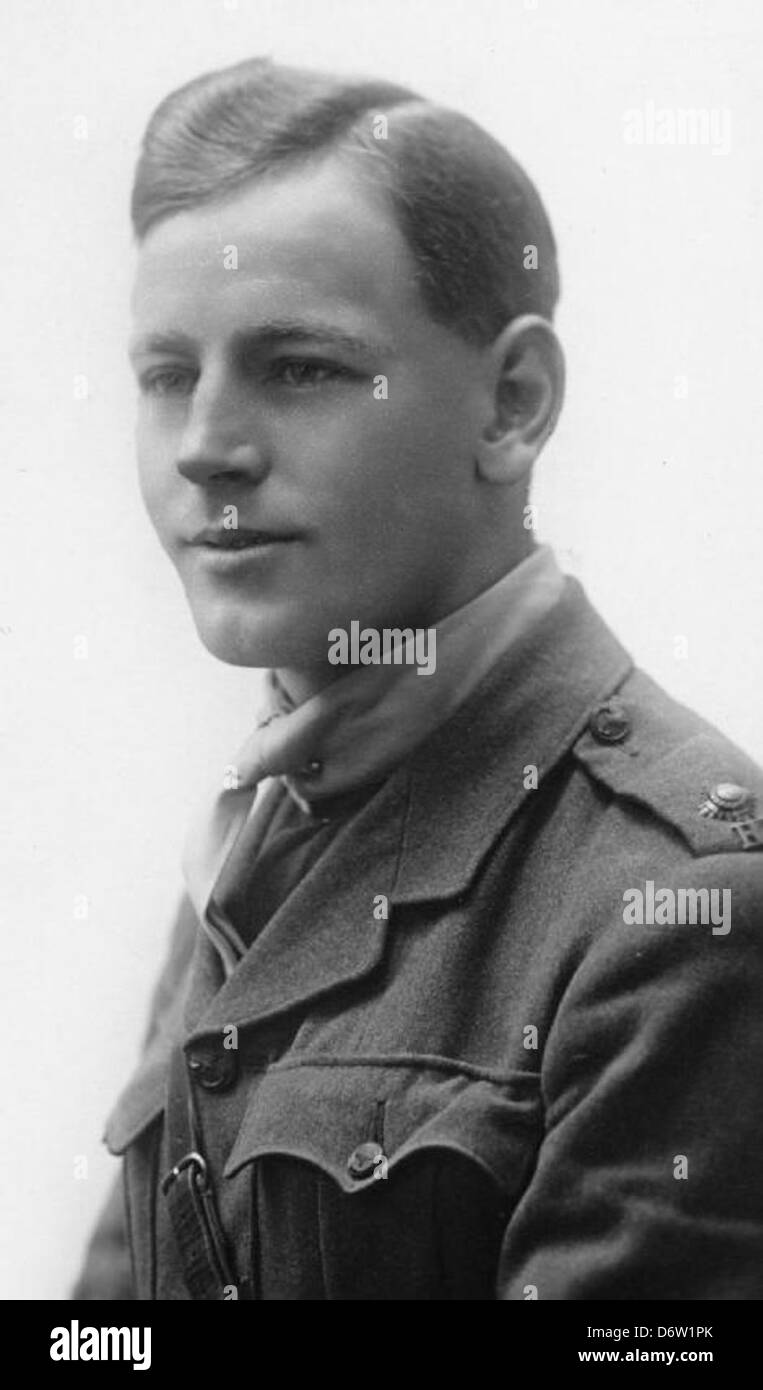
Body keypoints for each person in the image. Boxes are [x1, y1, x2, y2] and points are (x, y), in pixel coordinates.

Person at [73, 56, 763, 1301]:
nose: (206, 447)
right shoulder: (255, 842)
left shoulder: (681, 898)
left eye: (298, 367)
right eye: (168, 375)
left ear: (513, 404)